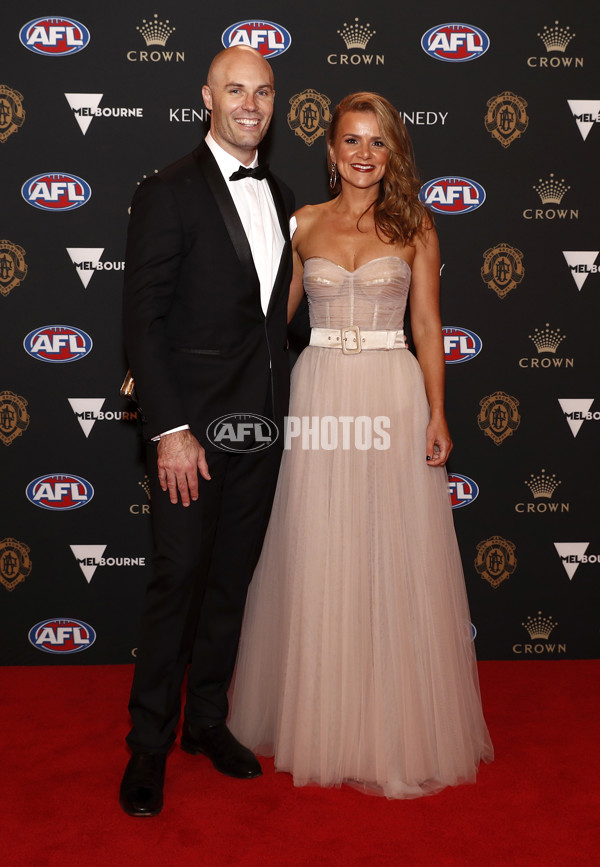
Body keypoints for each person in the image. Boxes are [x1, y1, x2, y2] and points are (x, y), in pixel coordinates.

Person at [229, 92, 493, 798]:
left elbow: (430, 328)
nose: (364, 154)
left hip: (390, 394)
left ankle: (389, 719)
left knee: (392, 552)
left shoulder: (416, 227)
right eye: (352, 140)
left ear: (394, 153)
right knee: (323, 549)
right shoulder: (303, 224)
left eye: (378, 142)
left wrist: (438, 413)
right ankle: (322, 712)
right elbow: (266, 325)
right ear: (332, 149)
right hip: (318, 397)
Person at [119, 45, 294, 817]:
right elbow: (142, 323)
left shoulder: (285, 195)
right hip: (190, 435)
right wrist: (172, 431)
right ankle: (148, 746)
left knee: (230, 584)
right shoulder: (168, 191)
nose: (250, 104)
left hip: (260, 428)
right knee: (177, 582)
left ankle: (208, 722)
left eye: (262, 91)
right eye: (235, 90)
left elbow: (275, 324)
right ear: (208, 96)